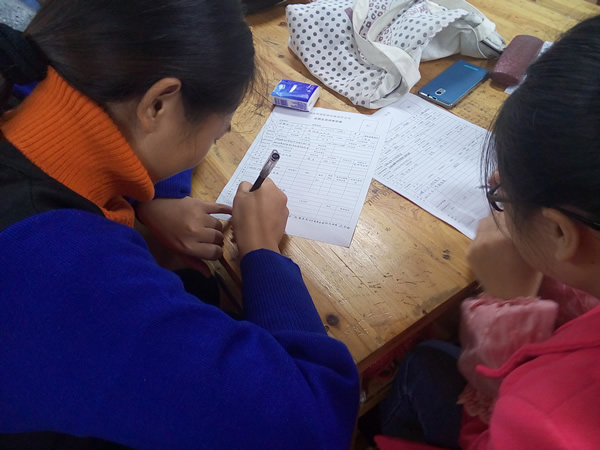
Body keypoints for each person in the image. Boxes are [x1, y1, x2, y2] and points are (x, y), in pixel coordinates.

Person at [0, 1, 360, 448]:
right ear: (157, 105)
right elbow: (315, 424)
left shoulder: (25, 77)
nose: (215, 141)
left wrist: (152, 198)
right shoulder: (69, 277)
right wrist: (263, 250)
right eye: (219, 133)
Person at [376, 14, 600, 450]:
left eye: (504, 196)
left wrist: (509, 303)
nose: (497, 184)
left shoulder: (543, 421)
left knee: (422, 364)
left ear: (561, 232)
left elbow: (498, 416)